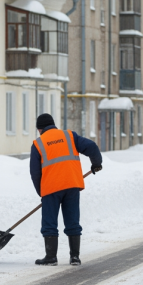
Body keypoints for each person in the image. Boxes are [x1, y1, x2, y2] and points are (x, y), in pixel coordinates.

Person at [30, 113, 102, 266]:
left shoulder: (38, 144)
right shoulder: (69, 136)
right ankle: (74, 257)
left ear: (39, 129)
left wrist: (41, 192)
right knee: (72, 220)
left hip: (51, 188)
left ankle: (51, 257)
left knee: (49, 222)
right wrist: (96, 163)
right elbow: (91, 146)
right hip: (72, 185)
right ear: (53, 124)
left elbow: (35, 173)